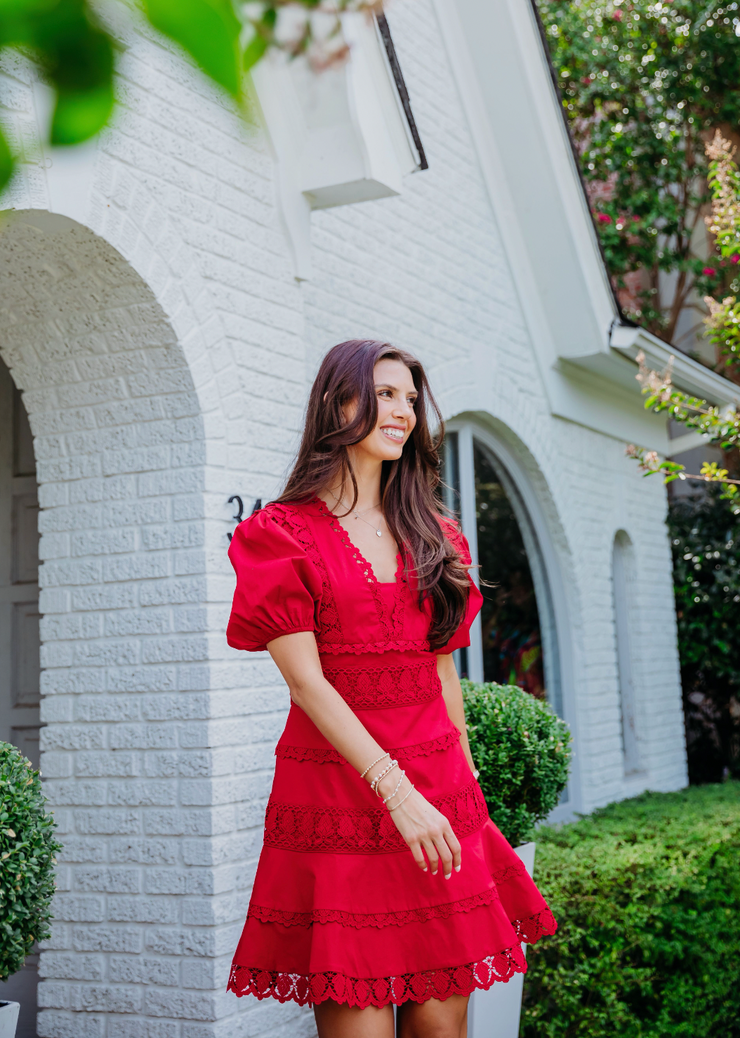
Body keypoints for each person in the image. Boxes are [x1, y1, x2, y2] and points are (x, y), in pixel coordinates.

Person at [226, 340, 556, 1037]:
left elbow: (443, 670)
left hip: (440, 795)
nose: (402, 410)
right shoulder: (278, 535)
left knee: (443, 1026)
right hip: (340, 797)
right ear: (336, 403)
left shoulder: (435, 535)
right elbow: (308, 684)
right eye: (383, 393)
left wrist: (463, 790)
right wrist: (397, 792)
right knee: (362, 1026)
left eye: (410, 397)